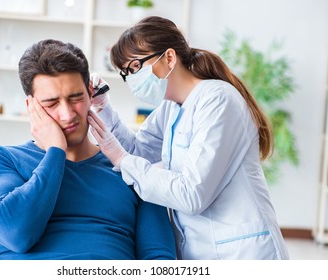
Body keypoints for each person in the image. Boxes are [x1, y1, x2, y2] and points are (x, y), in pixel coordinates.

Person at [87, 16, 289, 260]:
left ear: (169, 58)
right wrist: (102, 108)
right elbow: (138, 154)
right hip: (200, 251)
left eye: (136, 68)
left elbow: (192, 194)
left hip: (243, 253)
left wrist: (121, 159)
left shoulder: (218, 100)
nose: (131, 79)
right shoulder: (171, 107)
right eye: (126, 73)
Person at [0, 39, 176, 260]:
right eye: (51, 104)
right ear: (31, 107)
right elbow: (17, 234)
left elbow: (159, 261)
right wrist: (55, 153)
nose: (68, 114)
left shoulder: (132, 168)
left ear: (90, 93)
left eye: (76, 98)